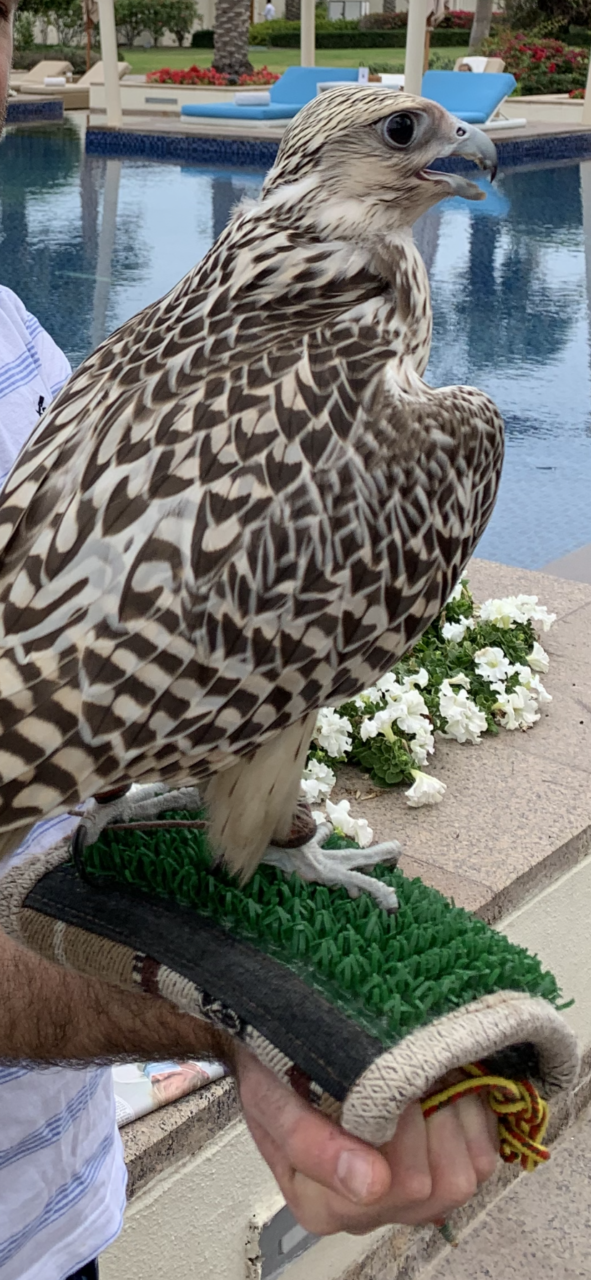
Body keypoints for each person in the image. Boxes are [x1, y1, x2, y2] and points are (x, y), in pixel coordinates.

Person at [0, 1, 499, 1272]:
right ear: (324, 175)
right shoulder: (377, 392)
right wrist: (245, 979)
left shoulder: (63, 343)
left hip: (54, 1211)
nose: (453, 151)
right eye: (407, 136)